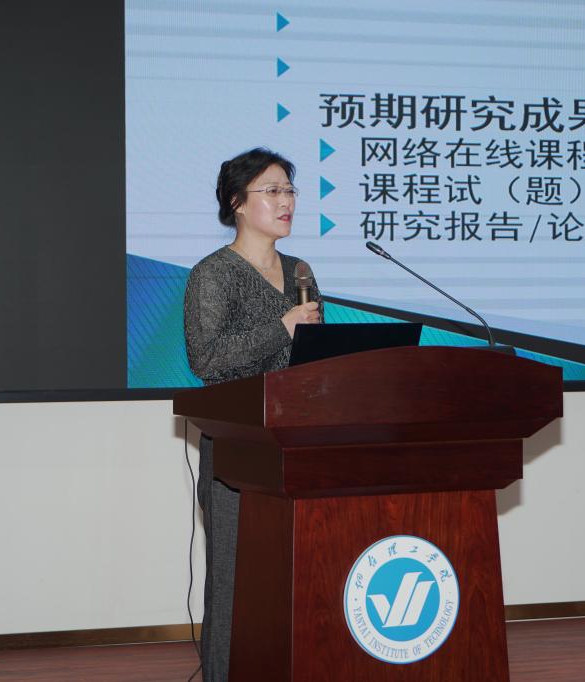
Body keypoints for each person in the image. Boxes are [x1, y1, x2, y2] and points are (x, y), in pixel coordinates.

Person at [182, 147, 321, 682]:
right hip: (238, 449)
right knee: (235, 580)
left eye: (290, 190)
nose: (287, 202)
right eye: (273, 191)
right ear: (238, 203)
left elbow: (311, 358)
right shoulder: (212, 275)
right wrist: (282, 327)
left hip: (297, 443)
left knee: (297, 573)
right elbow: (207, 360)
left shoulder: (301, 271)